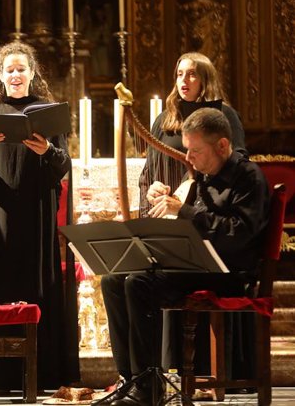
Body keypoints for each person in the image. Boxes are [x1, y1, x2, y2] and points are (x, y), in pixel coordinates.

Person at [95, 108, 270, 406]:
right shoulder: (204, 175)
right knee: (114, 279)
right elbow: (190, 222)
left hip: (230, 272)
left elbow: (238, 235)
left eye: (195, 151)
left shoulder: (248, 176)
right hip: (197, 264)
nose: (188, 158)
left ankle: (148, 387)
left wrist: (183, 210)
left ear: (223, 146)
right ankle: (132, 380)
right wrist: (168, 200)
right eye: (187, 150)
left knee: (139, 283)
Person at [0, 41, 80, 389]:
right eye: (9, 70)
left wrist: (48, 150)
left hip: (35, 210)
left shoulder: (46, 112)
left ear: (31, 73)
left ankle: (39, 369)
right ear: (0, 75)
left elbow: (63, 165)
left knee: (33, 282)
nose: (15, 75)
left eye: (21, 69)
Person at [138, 52, 246, 217]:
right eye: (180, 74)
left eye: (192, 74)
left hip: (210, 211)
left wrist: (190, 187)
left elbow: (238, 160)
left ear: (205, 80)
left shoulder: (224, 114)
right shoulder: (164, 119)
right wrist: (153, 191)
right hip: (167, 215)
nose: (184, 79)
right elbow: (149, 173)